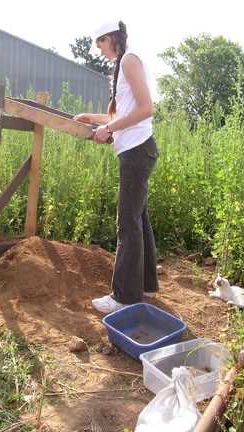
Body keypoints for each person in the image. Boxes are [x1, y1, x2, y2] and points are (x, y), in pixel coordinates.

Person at [74, 20, 159, 314]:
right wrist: (93, 119)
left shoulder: (130, 61)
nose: (98, 49)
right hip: (136, 150)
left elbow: (146, 109)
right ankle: (147, 286)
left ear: (110, 38)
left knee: (127, 223)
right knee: (138, 219)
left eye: (99, 42)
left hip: (137, 151)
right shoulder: (122, 65)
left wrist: (109, 128)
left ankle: (124, 296)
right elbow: (123, 114)